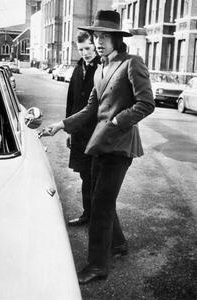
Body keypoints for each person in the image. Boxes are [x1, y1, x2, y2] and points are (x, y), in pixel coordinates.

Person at [41, 10, 155, 284]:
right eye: (96, 36)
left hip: (120, 145)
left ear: (117, 38)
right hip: (99, 144)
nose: (99, 41)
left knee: (101, 205)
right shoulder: (101, 68)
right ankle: (117, 245)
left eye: (105, 36)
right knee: (98, 198)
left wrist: (118, 119)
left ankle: (96, 266)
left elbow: (146, 103)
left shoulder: (132, 63)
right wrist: (62, 124)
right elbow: (92, 108)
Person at [66, 31, 100, 226]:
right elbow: (71, 101)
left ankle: (93, 216)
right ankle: (89, 214)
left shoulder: (101, 67)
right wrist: (70, 130)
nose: (85, 53)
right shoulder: (78, 68)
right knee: (84, 174)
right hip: (79, 132)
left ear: (94, 45)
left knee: (92, 176)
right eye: (81, 50)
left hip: (95, 132)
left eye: (88, 48)